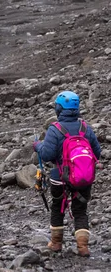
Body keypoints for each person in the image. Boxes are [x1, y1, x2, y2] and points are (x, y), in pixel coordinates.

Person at [33, 91, 101, 257]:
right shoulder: (85, 127)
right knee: (80, 211)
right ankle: (83, 247)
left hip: (59, 177)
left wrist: (37, 145)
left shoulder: (55, 129)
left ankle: (56, 243)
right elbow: (96, 154)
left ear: (59, 109)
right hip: (83, 177)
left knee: (58, 207)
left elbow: (47, 155)